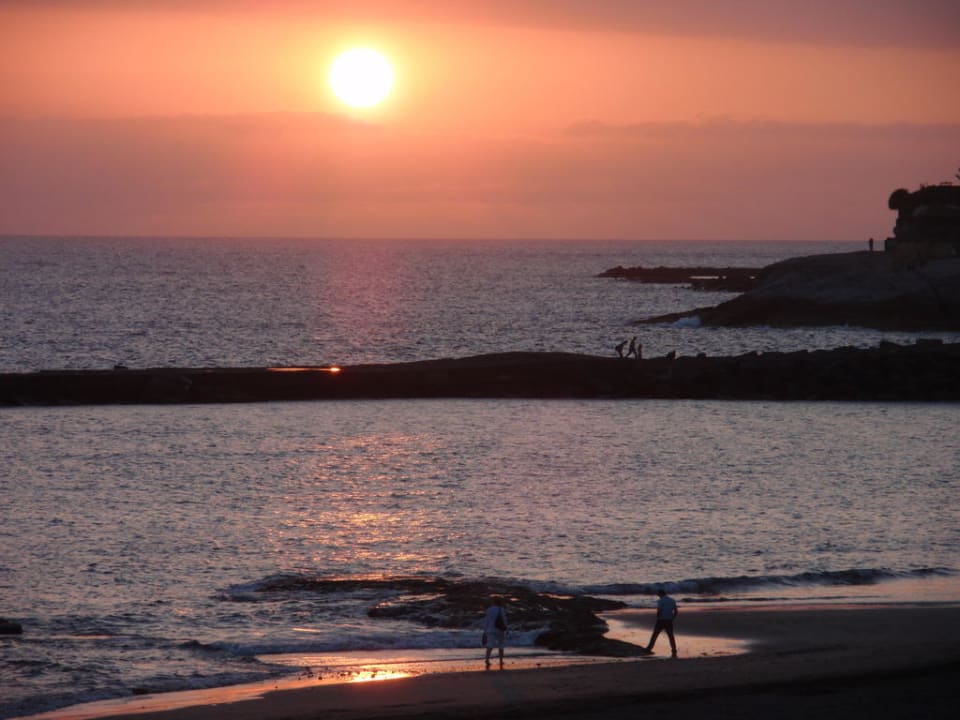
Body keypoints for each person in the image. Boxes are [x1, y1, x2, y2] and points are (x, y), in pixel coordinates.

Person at [645, 588, 678, 657]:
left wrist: (658, 617)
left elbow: (659, 610)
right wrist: (672, 618)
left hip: (661, 620)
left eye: (658, 594)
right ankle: (674, 649)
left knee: (655, 635)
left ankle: (649, 648)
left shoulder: (660, 601)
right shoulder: (672, 600)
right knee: (671, 636)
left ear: (661, 594)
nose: (658, 595)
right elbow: (676, 611)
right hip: (669, 620)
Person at [483, 597, 508, 668]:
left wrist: (485, 630)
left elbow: (486, 620)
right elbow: (504, 619)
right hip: (500, 629)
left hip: (490, 629)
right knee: (501, 645)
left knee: (490, 645)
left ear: (493, 603)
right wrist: (506, 628)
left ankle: (487, 660)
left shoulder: (489, 609)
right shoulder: (502, 609)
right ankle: (501, 661)